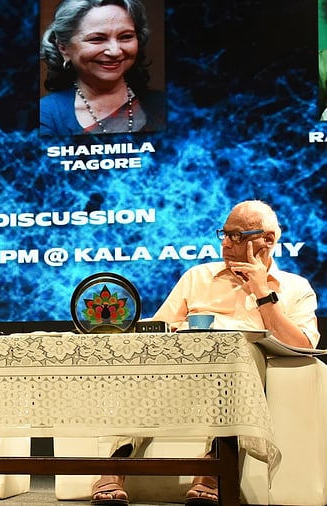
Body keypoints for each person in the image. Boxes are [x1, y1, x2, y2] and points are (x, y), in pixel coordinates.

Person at [90, 200, 320, 506]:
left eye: (236, 236)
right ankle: (117, 463)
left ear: (267, 240)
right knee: (143, 359)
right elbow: (159, 329)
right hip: (180, 374)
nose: (226, 243)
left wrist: (262, 292)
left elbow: (303, 347)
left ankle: (213, 465)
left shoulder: (295, 287)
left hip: (237, 379)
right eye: (224, 234)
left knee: (242, 348)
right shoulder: (198, 277)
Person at [39, 0, 166, 135]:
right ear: (63, 48)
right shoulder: (46, 115)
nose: (115, 51)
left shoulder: (169, 106)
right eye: (97, 39)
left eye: (126, 37)